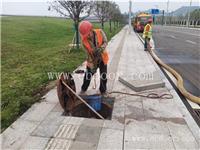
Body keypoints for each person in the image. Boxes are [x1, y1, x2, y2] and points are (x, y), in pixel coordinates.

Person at [79, 21, 109, 95]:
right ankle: (83, 89)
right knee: (88, 75)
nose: (87, 36)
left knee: (103, 75)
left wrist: (101, 48)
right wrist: (92, 65)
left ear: (91, 29)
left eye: (88, 34)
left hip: (102, 58)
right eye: (85, 35)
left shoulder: (100, 32)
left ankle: (103, 90)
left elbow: (105, 41)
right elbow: (88, 54)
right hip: (92, 59)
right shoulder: (84, 41)